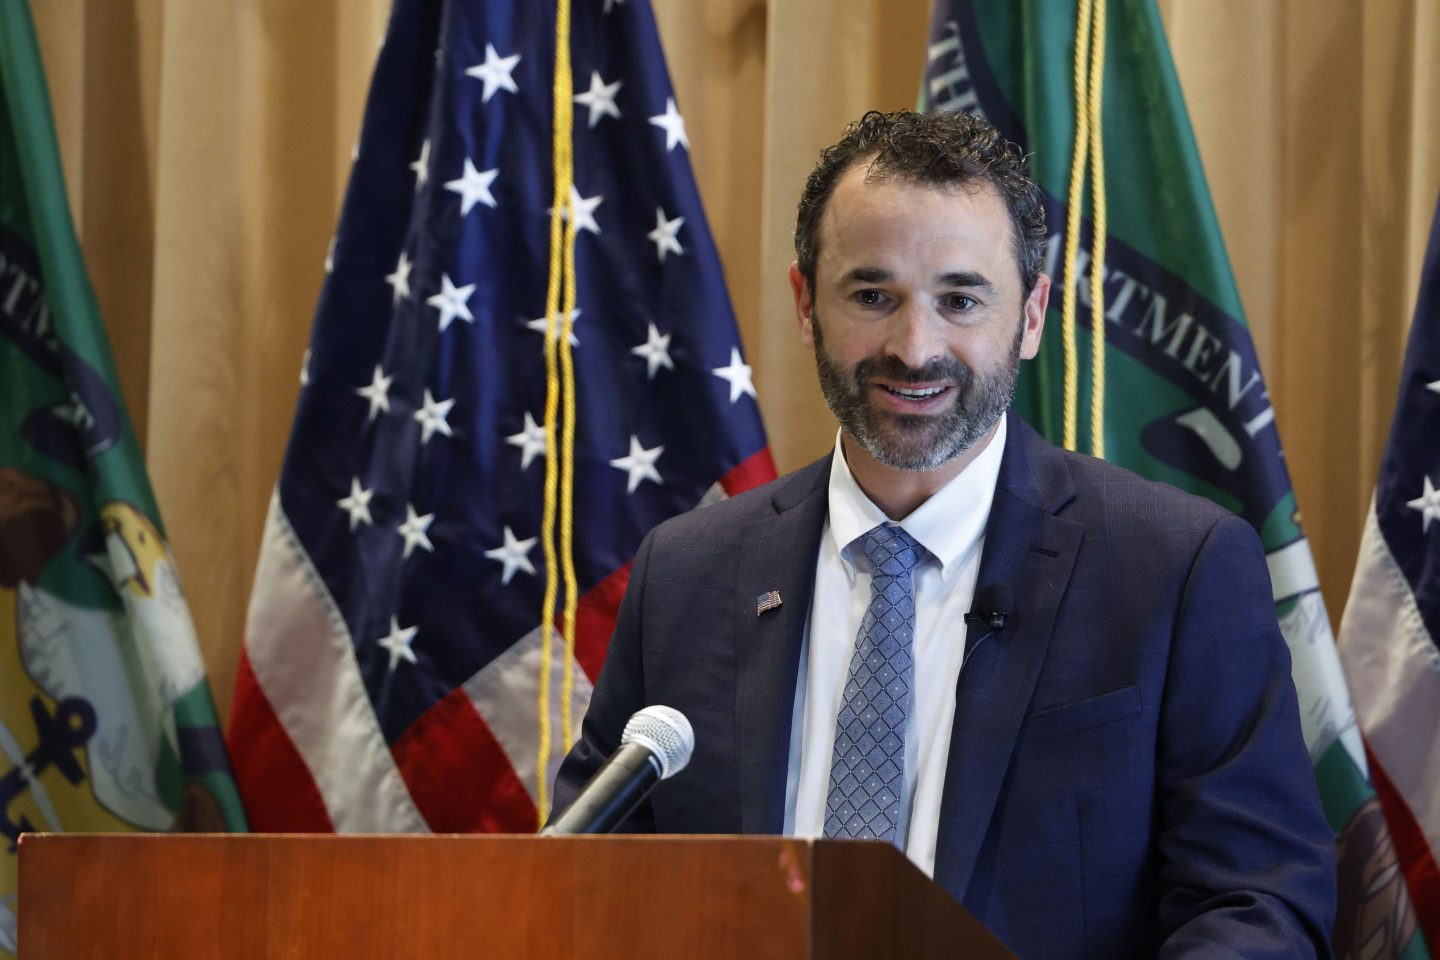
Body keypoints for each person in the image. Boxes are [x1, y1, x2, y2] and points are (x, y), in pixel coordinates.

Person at [553, 110, 1336, 958]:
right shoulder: (688, 573)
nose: (914, 347)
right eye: (872, 295)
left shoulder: (1174, 567)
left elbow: (1258, 905)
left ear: (1033, 315)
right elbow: (580, 893)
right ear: (806, 303)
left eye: (960, 299)